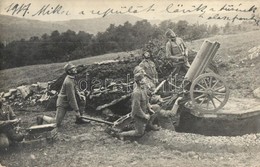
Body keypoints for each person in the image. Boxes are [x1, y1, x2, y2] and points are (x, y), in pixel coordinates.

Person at [37, 62, 88, 127]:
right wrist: (77, 111)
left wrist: (79, 94)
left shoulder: (72, 77)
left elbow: (75, 87)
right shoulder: (68, 82)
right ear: (69, 71)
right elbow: (71, 98)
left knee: (82, 98)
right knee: (56, 123)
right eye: (73, 68)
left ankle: (79, 119)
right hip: (63, 103)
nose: (75, 69)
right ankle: (41, 117)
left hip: (68, 101)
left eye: (74, 67)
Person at [118, 73, 160, 139]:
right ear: (140, 81)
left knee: (157, 107)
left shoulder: (143, 88)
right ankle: (122, 134)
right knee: (139, 133)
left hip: (145, 109)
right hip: (138, 115)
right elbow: (136, 108)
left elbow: (146, 100)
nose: (146, 80)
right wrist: (144, 116)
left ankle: (149, 124)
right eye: (144, 79)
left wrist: (149, 107)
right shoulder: (136, 93)